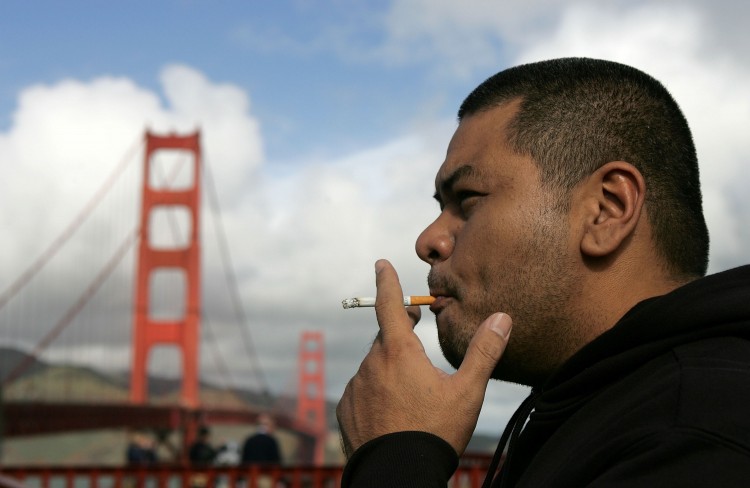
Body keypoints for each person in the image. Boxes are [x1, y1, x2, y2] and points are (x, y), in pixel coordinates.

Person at [336, 57, 750, 487]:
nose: (428, 241)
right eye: (441, 207)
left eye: (468, 198)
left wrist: (396, 458)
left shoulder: (697, 436)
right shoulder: (613, 410)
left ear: (606, 210)